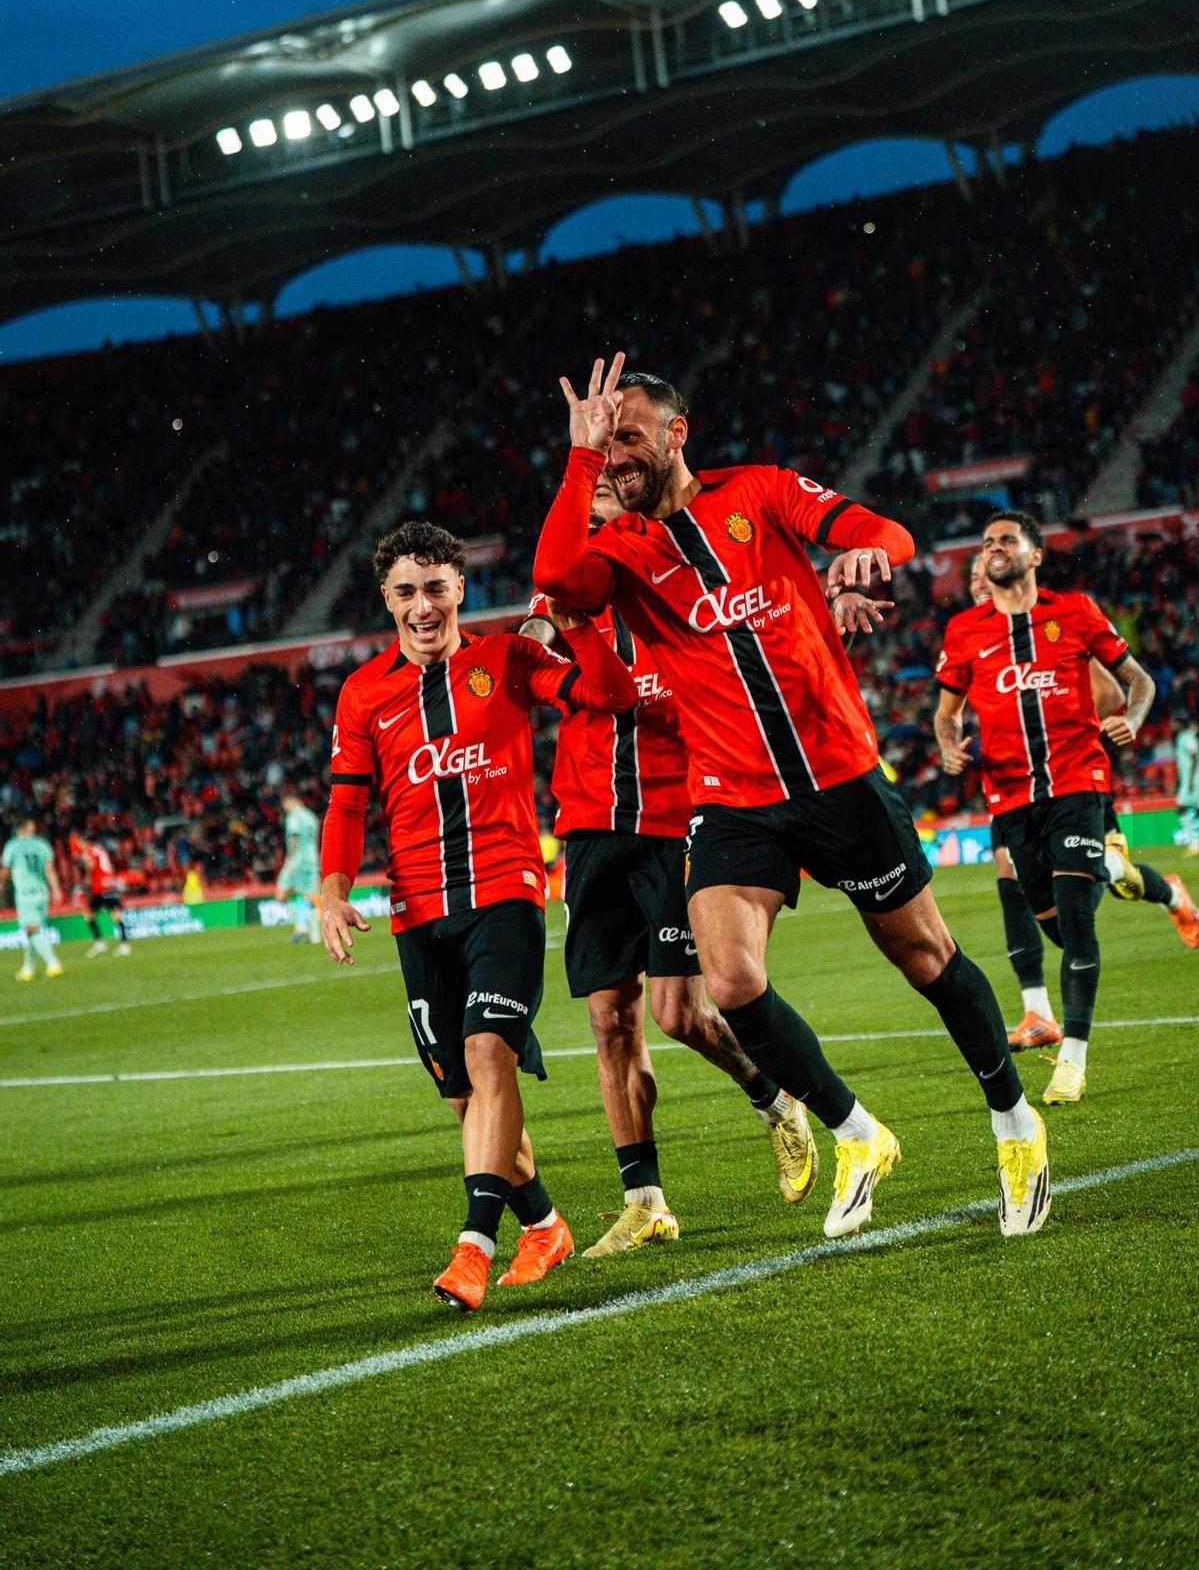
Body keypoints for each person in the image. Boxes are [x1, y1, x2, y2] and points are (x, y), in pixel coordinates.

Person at [535, 357, 1050, 1240]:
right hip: (731, 796)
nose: (615, 456)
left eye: (628, 437)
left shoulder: (761, 491)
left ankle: (1014, 1122)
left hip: (837, 774)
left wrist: (863, 557)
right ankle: (856, 1133)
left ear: (676, 433)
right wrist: (580, 456)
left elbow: (885, 532)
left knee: (927, 958)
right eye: (605, 443)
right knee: (731, 981)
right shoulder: (619, 552)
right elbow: (554, 573)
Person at [320, 519, 638, 1311]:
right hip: (417, 913)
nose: (423, 606)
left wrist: (576, 627)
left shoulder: (509, 659)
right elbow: (348, 804)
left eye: (436, 588)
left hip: (505, 893)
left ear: (460, 588)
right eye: (406, 592)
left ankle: (473, 1249)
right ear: (386, 599)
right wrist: (331, 888)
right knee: (466, 1099)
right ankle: (545, 1225)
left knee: (490, 1052)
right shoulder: (363, 693)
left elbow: (611, 696)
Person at [524, 473, 818, 1258]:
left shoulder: (680, 581)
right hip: (589, 827)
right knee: (608, 1020)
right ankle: (644, 1201)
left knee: (677, 1015)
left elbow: (678, 679)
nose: (594, 508)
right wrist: (549, 639)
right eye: (583, 501)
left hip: (673, 820)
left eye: (605, 496)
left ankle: (773, 1097)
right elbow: (538, 651)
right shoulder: (560, 598)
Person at [936, 512, 1159, 1106]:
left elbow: (1139, 682)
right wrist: (948, 745)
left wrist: (1133, 721)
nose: (994, 548)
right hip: (1011, 798)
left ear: (1035, 555)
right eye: (987, 542)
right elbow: (946, 712)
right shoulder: (964, 630)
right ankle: (1113, 869)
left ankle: (1072, 1058)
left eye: (1007, 540)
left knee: (1077, 925)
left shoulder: (1076, 612)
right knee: (1055, 925)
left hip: (1077, 783)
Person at [964, 552, 1199, 1050]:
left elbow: (1113, 699)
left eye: (987, 573)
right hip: (1012, 788)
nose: (981, 582)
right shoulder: (974, 641)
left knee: (1093, 888)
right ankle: (1037, 1014)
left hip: (1072, 782)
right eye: (974, 577)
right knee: (1012, 880)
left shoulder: (1053, 629)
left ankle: (1169, 893)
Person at [2, 817, 64, 982]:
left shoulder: (12, 846)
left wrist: (1, 884)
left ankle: (53, 963)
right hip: (42, 892)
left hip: (25, 893)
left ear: (18, 829)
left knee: (31, 930)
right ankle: (28, 969)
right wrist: (56, 889)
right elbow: (49, 869)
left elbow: (6, 870)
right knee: (34, 931)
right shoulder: (42, 844)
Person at [71, 831, 132, 957]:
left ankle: (100, 944)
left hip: (99, 887)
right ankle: (124, 945)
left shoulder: (88, 851)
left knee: (89, 915)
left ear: (84, 841)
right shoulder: (100, 849)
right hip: (109, 884)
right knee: (116, 915)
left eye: (80, 842)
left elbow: (90, 865)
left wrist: (88, 880)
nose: (79, 845)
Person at [278, 790, 322, 944]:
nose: (284, 807)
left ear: (291, 801)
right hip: (312, 860)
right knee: (311, 896)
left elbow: (295, 837)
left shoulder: (293, 817)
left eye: (284, 804)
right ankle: (315, 934)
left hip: (297, 860)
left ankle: (301, 925)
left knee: (281, 893)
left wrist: (290, 860)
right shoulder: (311, 816)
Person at [1175, 717, 1199, 856]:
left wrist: (1190, 780)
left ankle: (1193, 843)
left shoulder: (1186, 736)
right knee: (1194, 809)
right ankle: (1194, 843)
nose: (1171, 725)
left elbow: (1194, 756)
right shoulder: (1181, 737)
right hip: (1189, 779)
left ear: (1180, 723)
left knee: (1182, 807)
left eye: (1174, 722)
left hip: (1193, 780)